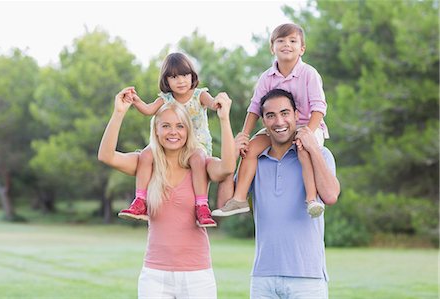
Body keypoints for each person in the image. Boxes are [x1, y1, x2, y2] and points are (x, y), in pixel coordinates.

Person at [98, 87, 236, 298]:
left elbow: (227, 167)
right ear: (156, 131)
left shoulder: (200, 165)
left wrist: (224, 119)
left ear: (188, 131)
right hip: (155, 275)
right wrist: (119, 113)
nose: (173, 132)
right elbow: (106, 156)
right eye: (166, 126)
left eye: (180, 126)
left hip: (197, 274)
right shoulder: (146, 163)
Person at [217, 89, 340, 299]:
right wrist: (232, 157)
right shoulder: (254, 160)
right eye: (270, 115)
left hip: (307, 278)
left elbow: (330, 196)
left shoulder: (318, 154)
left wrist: (312, 148)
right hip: (263, 278)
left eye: (285, 113)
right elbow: (224, 202)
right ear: (263, 121)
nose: (279, 121)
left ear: (296, 114)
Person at [212, 23, 329, 218]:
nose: (287, 45)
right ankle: (239, 199)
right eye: (281, 40)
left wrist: (308, 132)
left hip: (307, 124)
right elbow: (255, 108)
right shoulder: (267, 77)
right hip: (277, 127)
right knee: (250, 148)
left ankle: (311, 199)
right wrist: (244, 136)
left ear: (302, 49)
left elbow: (319, 108)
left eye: (293, 41)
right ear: (272, 47)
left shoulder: (309, 74)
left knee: (304, 149)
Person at [118, 52, 221, 227]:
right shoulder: (166, 99)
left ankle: (202, 205)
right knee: (145, 155)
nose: (181, 80)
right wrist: (135, 101)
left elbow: (212, 103)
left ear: (192, 76)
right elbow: (149, 110)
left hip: (196, 144)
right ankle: (140, 200)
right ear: (166, 81)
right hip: (171, 144)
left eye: (185, 75)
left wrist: (218, 103)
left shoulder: (199, 95)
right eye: (174, 77)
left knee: (198, 160)